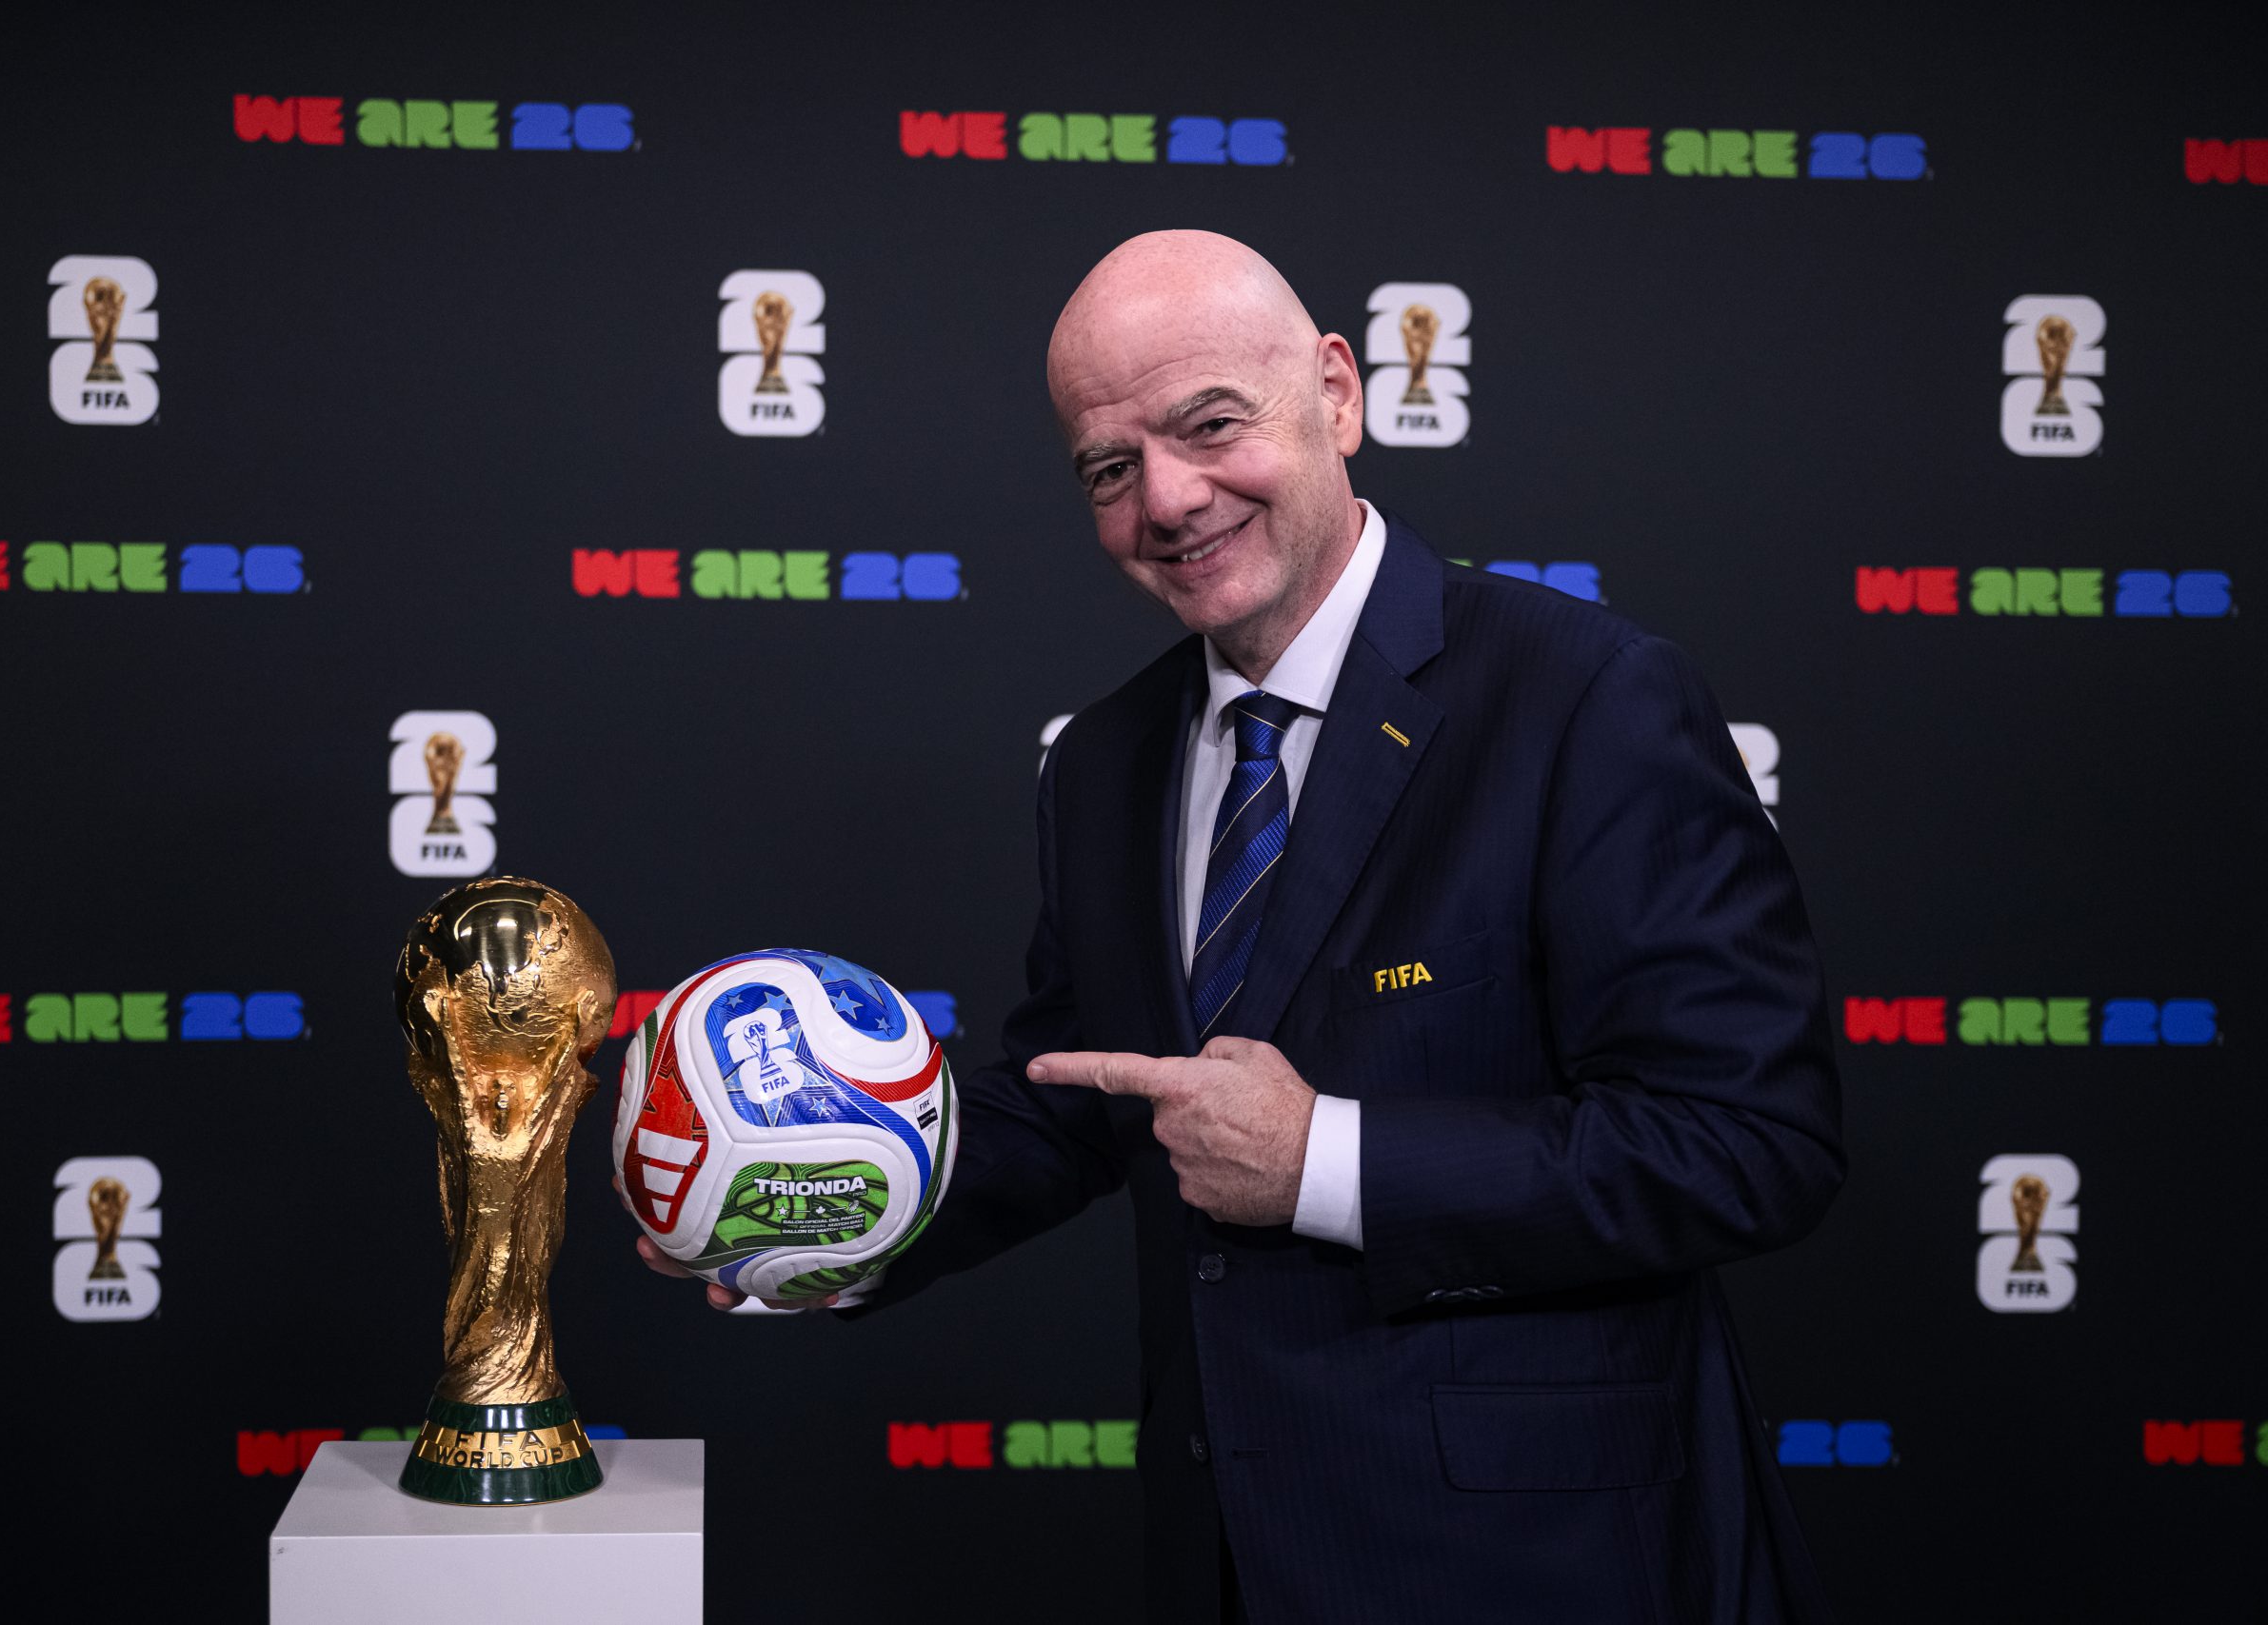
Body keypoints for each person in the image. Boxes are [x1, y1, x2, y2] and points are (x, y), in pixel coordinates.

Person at [636, 229, 1843, 1623]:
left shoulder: (1587, 700)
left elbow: (1752, 1143)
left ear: (1336, 394)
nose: (1167, 497)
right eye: (1108, 468)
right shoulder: (1104, 760)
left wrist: (1321, 1157)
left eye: (1210, 425)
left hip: (1548, 1571)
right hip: (1228, 1565)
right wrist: (809, 1211)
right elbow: (1073, 1101)